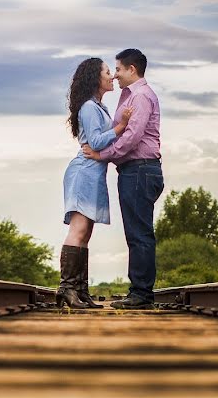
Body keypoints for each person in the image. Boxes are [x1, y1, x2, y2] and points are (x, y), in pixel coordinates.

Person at [83, 48, 163, 309]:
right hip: (134, 170)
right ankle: (139, 291)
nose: (115, 75)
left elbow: (132, 137)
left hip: (140, 169)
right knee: (136, 232)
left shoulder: (139, 96)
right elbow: (121, 132)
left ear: (132, 69)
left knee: (139, 233)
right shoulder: (129, 96)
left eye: (118, 69)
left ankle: (141, 294)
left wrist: (102, 155)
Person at [58, 57, 134, 309]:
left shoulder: (97, 107)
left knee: (85, 233)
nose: (111, 75)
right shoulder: (90, 108)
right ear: (95, 77)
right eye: (107, 71)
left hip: (93, 174)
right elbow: (96, 141)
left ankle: (80, 291)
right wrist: (121, 127)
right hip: (84, 173)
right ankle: (67, 288)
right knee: (78, 230)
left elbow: (99, 141)